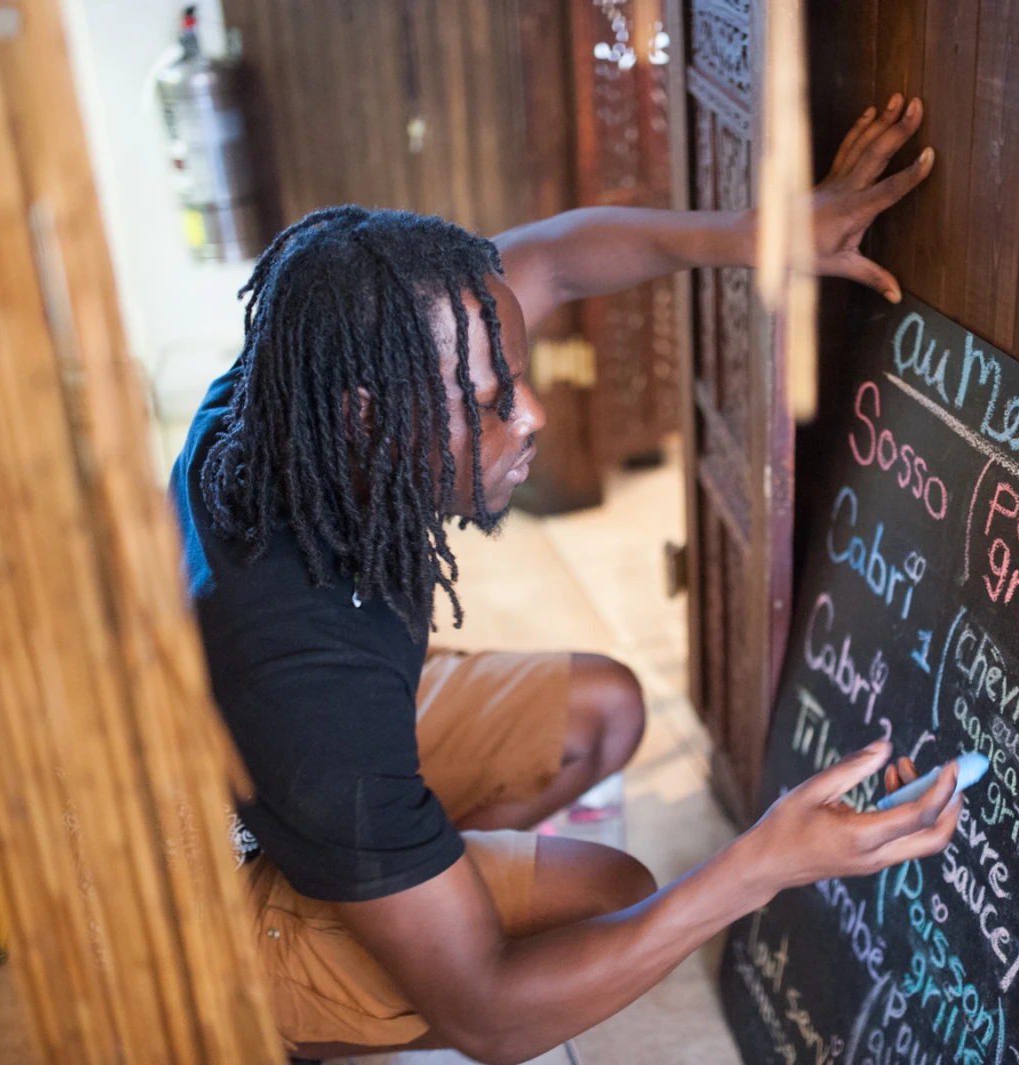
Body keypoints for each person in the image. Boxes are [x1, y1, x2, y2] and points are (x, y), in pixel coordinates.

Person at [171, 95, 956, 1063]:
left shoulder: (292, 385)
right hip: (202, 881)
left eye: (518, 375)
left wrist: (763, 232)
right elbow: (490, 1023)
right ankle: (322, 991)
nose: (534, 413)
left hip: (261, 753)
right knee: (604, 917)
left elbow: (553, 259)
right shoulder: (309, 673)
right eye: (492, 403)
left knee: (600, 710)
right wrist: (760, 867)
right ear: (370, 417)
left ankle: (400, 890)